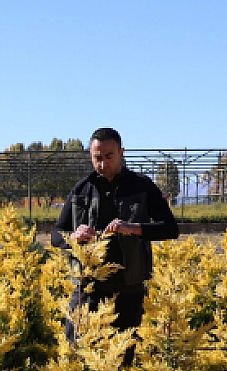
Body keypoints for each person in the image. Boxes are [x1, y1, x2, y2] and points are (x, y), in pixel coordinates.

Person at [51, 128, 179, 340]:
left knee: (123, 356)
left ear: (121, 152)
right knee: (74, 348)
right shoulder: (82, 189)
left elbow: (170, 228)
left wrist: (133, 228)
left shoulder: (141, 186)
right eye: (97, 158)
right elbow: (56, 235)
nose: (103, 164)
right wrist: (73, 236)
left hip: (128, 288)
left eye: (109, 156)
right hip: (87, 288)